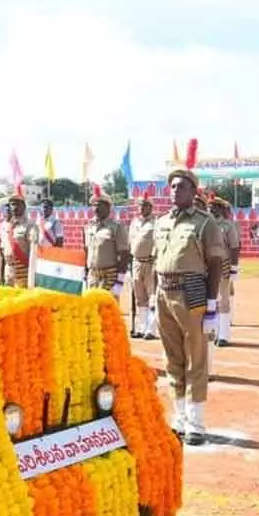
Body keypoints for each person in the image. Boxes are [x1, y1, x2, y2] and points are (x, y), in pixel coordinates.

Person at [153, 168, 224, 446]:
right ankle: (180, 417)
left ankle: (196, 422)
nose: (175, 191)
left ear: (194, 192)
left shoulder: (206, 224)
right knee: (172, 358)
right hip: (163, 291)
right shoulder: (162, 223)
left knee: (195, 358)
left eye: (181, 187)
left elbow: (216, 263)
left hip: (191, 292)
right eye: (171, 187)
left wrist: (210, 304)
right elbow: (156, 258)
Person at [84, 188, 129, 298]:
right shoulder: (88, 227)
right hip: (92, 276)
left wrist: (119, 282)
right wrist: (85, 275)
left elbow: (124, 255)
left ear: (108, 208)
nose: (96, 208)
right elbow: (86, 251)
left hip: (109, 277)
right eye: (94, 205)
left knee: (106, 311)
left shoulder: (116, 227)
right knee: (91, 310)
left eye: (100, 205)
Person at [210, 196, 240, 348]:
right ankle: (214, 330)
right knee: (211, 300)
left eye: (215, 206)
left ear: (221, 209)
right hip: (207, 267)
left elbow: (234, 247)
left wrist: (234, 268)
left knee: (223, 300)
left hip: (223, 265)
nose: (211, 209)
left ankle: (223, 335)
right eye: (210, 206)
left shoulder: (228, 226)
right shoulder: (206, 224)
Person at [129, 194, 159, 339]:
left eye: (145, 205)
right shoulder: (134, 222)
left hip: (150, 262)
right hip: (136, 262)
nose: (141, 208)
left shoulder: (156, 223)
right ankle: (141, 327)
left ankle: (151, 329)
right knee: (140, 297)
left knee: (152, 295)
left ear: (150, 207)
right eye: (140, 205)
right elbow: (131, 242)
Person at [0, 193, 36, 288]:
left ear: (23, 206)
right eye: (12, 204)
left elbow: (34, 252)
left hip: (23, 272)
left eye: (17, 204)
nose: (14, 207)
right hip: (9, 270)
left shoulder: (30, 226)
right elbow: (3, 249)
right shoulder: (7, 226)